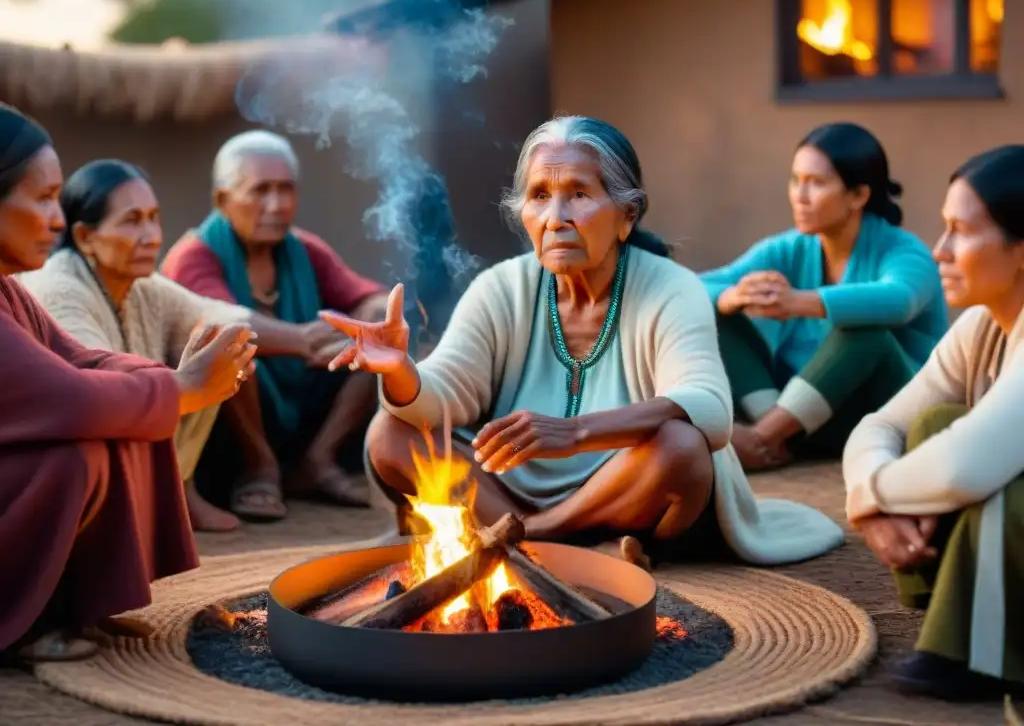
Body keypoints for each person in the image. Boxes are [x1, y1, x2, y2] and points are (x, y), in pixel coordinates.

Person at [325, 115, 843, 566]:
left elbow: (708, 409)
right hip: (508, 496)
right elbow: (450, 397)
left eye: (578, 194)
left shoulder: (670, 287)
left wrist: (573, 432)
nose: (556, 218)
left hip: (627, 492)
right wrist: (399, 370)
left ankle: (535, 540)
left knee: (682, 448)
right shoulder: (501, 287)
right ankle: (548, 539)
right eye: (540, 196)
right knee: (389, 434)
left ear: (627, 216)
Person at [0, 104, 256, 662]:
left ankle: (83, 604)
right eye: (42, 199)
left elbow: (81, 361)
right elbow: (66, 396)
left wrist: (177, 378)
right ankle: (17, 623)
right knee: (73, 451)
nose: (56, 221)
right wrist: (182, 388)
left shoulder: (9, 290)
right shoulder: (48, 286)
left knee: (121, 423)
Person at [19, 159, 349, 530]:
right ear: (84, 237)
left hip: (133, 423)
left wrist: (304, 339)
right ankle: (148, 503)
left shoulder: (141, 284)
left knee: (218, 352)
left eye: (154, 218)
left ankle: (180, 490)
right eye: (132, 221)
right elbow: (96, 384)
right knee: (189, 371)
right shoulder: (59, 289)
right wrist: (184, 379)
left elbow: (215, 315)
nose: (152, 235)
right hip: (67, 449)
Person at [843, 145, 1024, 701]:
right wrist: (875, 503)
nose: (939, 250)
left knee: (997, 480)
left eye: (961, 231)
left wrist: (866, 498)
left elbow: (965, 467)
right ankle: (950, 603)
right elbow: (880, 426)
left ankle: (977, 658)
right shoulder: (981, 327)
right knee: (935, 424)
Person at [162, 130, 389, 514]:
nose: (277, 204)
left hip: (305, 399)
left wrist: (372, 326)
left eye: (286, 190)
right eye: (260, 190)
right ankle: (258, 467)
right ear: (222, 200)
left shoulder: (305, 249)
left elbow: (370, 298)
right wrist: (304, 340)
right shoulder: (193, 256)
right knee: (230, 352)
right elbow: (216, 323)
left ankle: (318, 462)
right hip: (231, 420)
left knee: (379, 351)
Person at [701, 123, 947, 471]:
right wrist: (730, 296)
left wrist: (798, 301)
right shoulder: (789, 248)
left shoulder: (904, 251)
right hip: (805, 414)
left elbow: (900, 298)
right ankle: (779, 437)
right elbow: (693, 286)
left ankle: (761, 440)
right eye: (795, 180)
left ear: (858, 195)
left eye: (816, 183)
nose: (800, 195)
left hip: (882, 411)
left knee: (864, 329)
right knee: (712, 312)